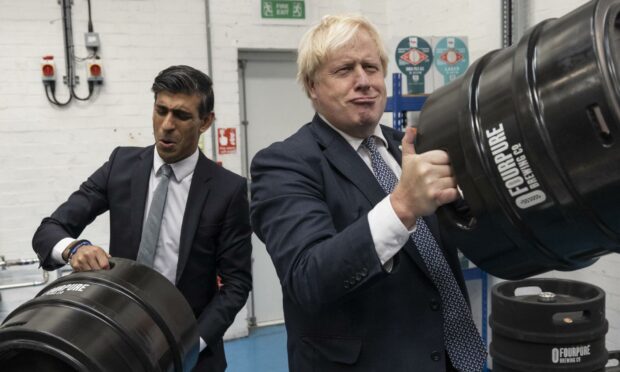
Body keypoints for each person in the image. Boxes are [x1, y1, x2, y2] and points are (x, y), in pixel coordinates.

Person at [250, 15, 486, 372]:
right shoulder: (284, 164)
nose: (364, 81)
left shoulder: (411, 147)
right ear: (312, 86)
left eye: (371, 67)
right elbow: (308, 278)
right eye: (344, 70)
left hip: (451, 357)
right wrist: (401, 206)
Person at [32, 65, 252, 372]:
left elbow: (237, 284)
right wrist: (74, 249)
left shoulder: (227, 190)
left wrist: (191, 343)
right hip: (116, 344)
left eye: (182, 115)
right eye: (160, 110)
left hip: (193, 354)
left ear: (206, 122)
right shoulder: (120, 166)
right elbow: (49, 230)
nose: (166, 125)